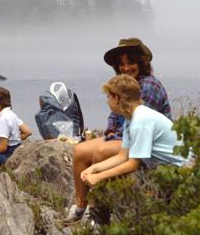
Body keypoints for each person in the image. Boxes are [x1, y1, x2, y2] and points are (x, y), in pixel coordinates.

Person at [65, 37, 172, 223]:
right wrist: (111, 131)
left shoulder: (148, 86)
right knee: (80, 151)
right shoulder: (123, 84)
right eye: (122, 64)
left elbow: (141, 125)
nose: (126, 67)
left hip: (147, 141)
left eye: (131, 62)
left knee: (102, 151)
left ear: (141, 63)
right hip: (125, 135)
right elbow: (115, 115)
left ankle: (99, 212)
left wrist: (115, 139)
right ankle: (81, 206)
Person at [80, 74, 190, 185]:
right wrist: (93, 168)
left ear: (117, 98)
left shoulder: (140, 121)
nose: (107, 101)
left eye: (109, 97)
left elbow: (133, 164)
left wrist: (99, 177)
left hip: (182, 169)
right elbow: (122, 156)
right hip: (167, 167)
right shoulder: (131, 118)